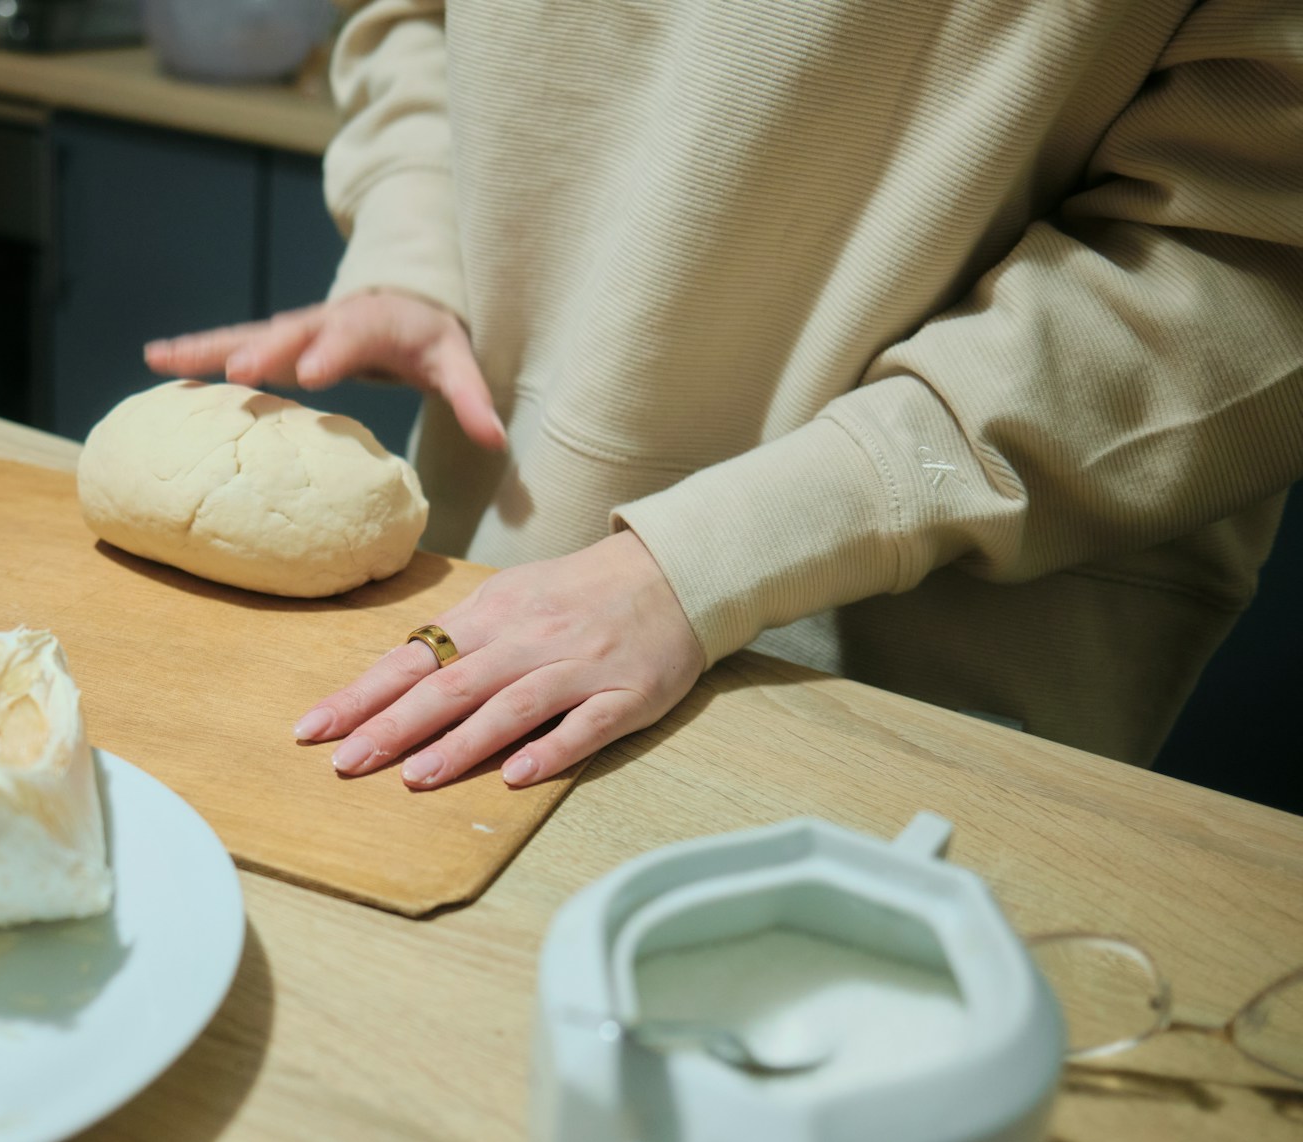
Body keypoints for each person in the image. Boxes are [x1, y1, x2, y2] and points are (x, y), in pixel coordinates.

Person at [146, 0, 1303, 791]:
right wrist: (418, 234)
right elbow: (414, 20)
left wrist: (706, 559)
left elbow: (1230, 276)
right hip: (495, 586)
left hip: (892, 676)